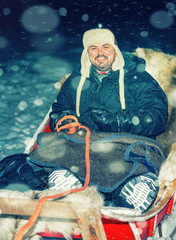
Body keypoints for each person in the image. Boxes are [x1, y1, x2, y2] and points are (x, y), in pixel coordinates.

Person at [46, 28, 168, 213]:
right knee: (63, 156)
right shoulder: (76, 80)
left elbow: (157, 117)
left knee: (131, 163)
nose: (100, 53)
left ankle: (134, 191)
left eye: (105, 47)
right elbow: (59, 109)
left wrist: (117, 122)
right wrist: (65, 120)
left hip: (127, 142)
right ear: (87, 53)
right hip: (86, 143)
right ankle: (69, 184)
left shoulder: (138, 79)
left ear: (115, 50)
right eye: (93, 48)